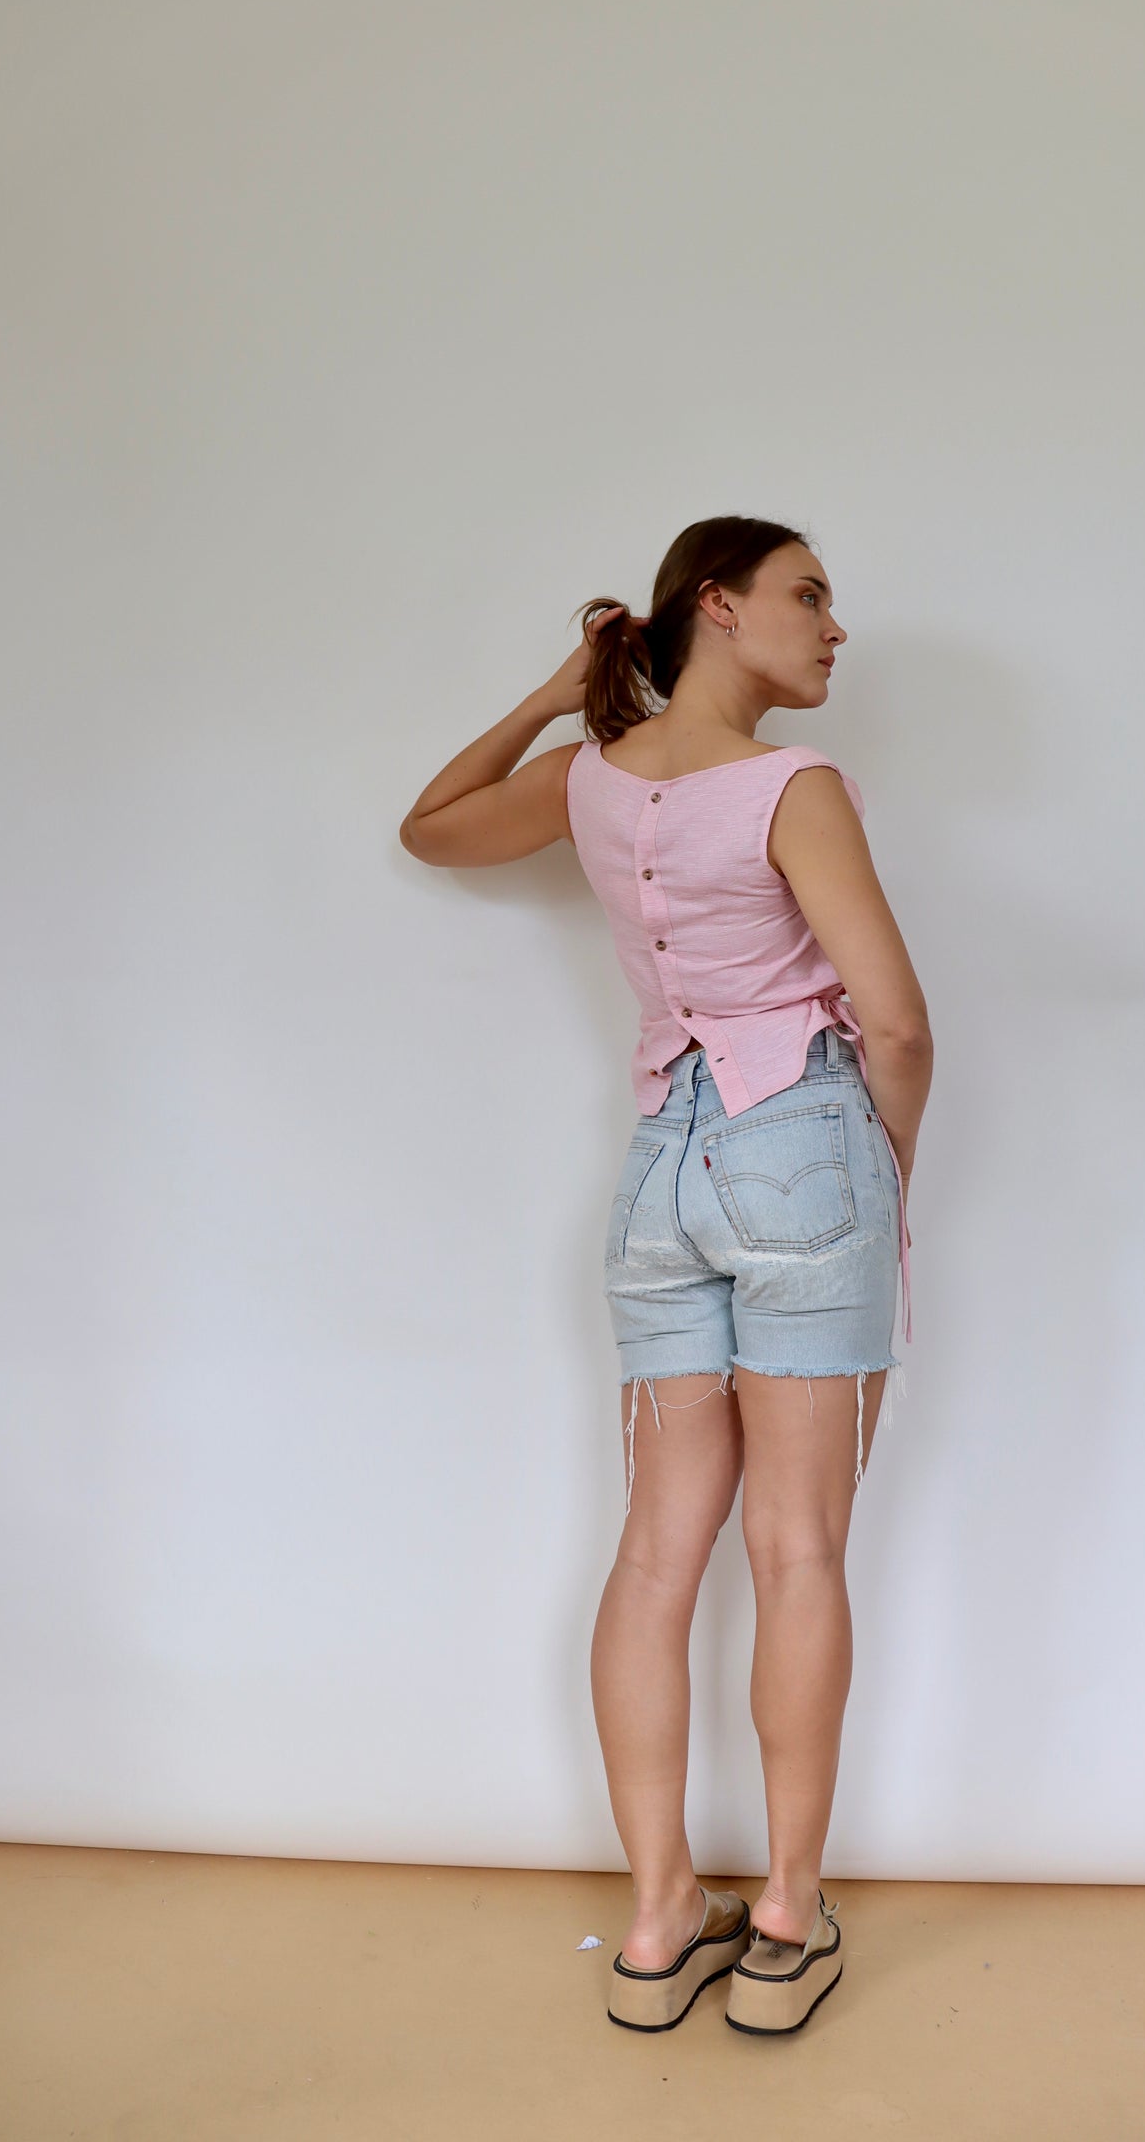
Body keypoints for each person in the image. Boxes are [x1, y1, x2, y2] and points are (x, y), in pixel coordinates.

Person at [399, 515, 933, 2034]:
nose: (833, 625)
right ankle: (783, 1922)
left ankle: (653, 1928)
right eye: (807, 593)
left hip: (657, 1172)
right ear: (720, 604)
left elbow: (431, 826)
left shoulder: (589, 781)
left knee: (650, 1558)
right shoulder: (787, 785)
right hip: (800, 1142)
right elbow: (897, 1025)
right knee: (797, 1552)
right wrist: (878, 1182)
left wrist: (562, 695)